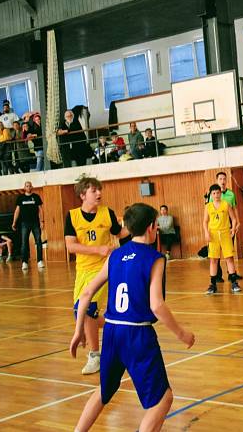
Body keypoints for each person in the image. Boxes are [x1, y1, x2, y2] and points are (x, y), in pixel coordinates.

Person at [70, 202, 194, 432]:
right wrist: (183, 334)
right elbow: (156, 305)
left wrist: (78, 331)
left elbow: (86, 293)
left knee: (104, 390)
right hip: (137, 334)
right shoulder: (155, 258)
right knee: (163, 399)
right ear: (151, 228)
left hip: (111, 332)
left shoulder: (115, 256)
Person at [64, 175, 129, 375]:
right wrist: (97, 249)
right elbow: (71, 246)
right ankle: (118, 326)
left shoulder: (107, 213)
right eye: (94, 191)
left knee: (89, 309)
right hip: (83, 270)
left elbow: (121, 233)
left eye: (99, 190)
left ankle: (95, 355)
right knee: (81, 314)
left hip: (104, 269)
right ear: (83, 195)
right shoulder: (73, 216)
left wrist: (138, 224)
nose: (99, 193)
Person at [203, 184, 241, 294]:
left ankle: (234, 282)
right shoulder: (208, 207)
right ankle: (212, 284)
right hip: (213, 235)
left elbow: (233, 219)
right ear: (211, 195)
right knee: (213, 260)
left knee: (229, 258)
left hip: (225, 233)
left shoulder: (226, 204)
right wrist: (206, 233)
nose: (216, 195)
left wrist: (233, 228)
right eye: (213, 193)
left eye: (218, 193)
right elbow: (205, 221)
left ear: (220, 193)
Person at [13, 181, 45, 270]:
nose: (28, 187)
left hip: (35, 223)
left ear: (32, 187)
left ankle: (40, 261)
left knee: (38, 241)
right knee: (24, 243)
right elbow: (17, 211)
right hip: (24, 223)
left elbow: (40, 210)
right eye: (27, 186)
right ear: (24, 188)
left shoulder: (36, 197)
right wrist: (14, 222)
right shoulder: (20, 198)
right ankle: (24, 262)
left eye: (30, 186)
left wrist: (42, 221)